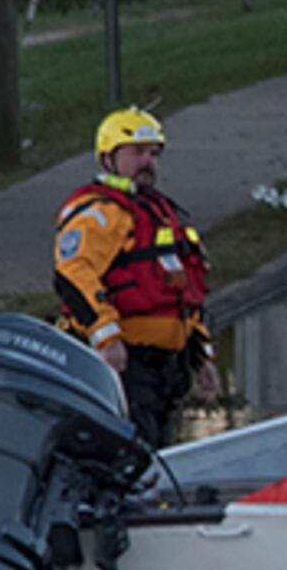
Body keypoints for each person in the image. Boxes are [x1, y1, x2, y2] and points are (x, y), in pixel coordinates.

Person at [53, 108, 212, 446]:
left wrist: (202, 356)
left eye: (153, 153)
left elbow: (186, 289)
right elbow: (74, 273)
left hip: (166, 366)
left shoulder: (160, 212)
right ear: (108, 157)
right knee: (135, 456)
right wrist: (106, 338)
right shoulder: (102, 212)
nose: (147, 161)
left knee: (159, 459)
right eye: (137, 152)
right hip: (127, 363)